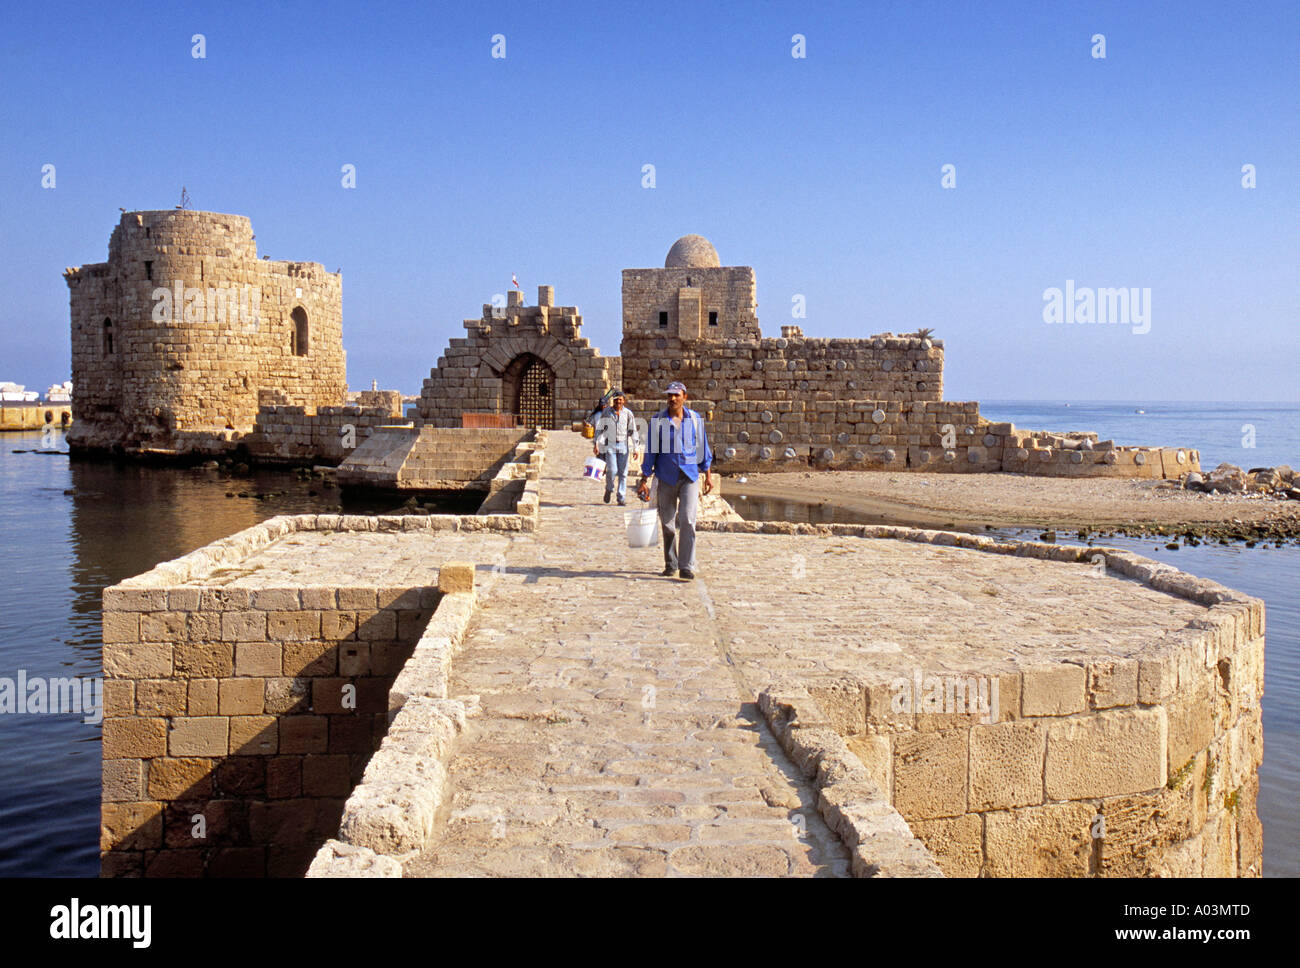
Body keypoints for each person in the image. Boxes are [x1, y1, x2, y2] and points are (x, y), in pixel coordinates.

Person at [636, 381, 713, 580]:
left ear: (684, 397)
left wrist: (708, 476)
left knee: (688, 520)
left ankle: (686, 565)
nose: (672, 399)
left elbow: (702, 449)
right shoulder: (657, 421)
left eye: (676, 395)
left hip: (689, 476)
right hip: (666, 477)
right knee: (668, 523)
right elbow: (651, 451)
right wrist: (644, 478)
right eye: (669, 395)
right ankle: (671, 562)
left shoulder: (695, 420)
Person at [593, 389, 639, 505]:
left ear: (624, 401)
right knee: (612, 470)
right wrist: (596, 443)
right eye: (616, 400)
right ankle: (609, 488)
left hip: (623, 444)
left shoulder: (628, 414)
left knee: (623, 473)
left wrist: (636, 448)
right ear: (613, 401)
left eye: (620, 400)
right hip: (610, 444)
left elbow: (633, 430)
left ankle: (621, 497)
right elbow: (600, 428)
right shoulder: (607, 412)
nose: (618, 402)